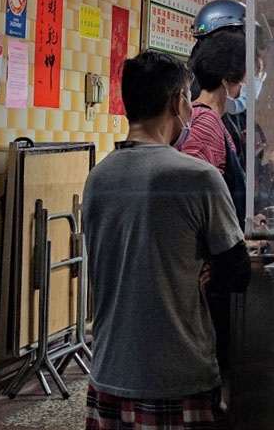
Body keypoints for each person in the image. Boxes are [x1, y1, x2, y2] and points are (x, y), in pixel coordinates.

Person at [82, 50, 250, 430]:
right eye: (186, 98)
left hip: (108, 372)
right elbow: (236, 271)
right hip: (178, 378)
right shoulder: (198, 178)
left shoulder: (98, 178)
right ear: (178, 101)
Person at [182, 27, 248, 225]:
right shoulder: (205, 123)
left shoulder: (210, 118)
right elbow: (193, 201)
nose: (247, 86)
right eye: (247, 77)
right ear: (227, 79)